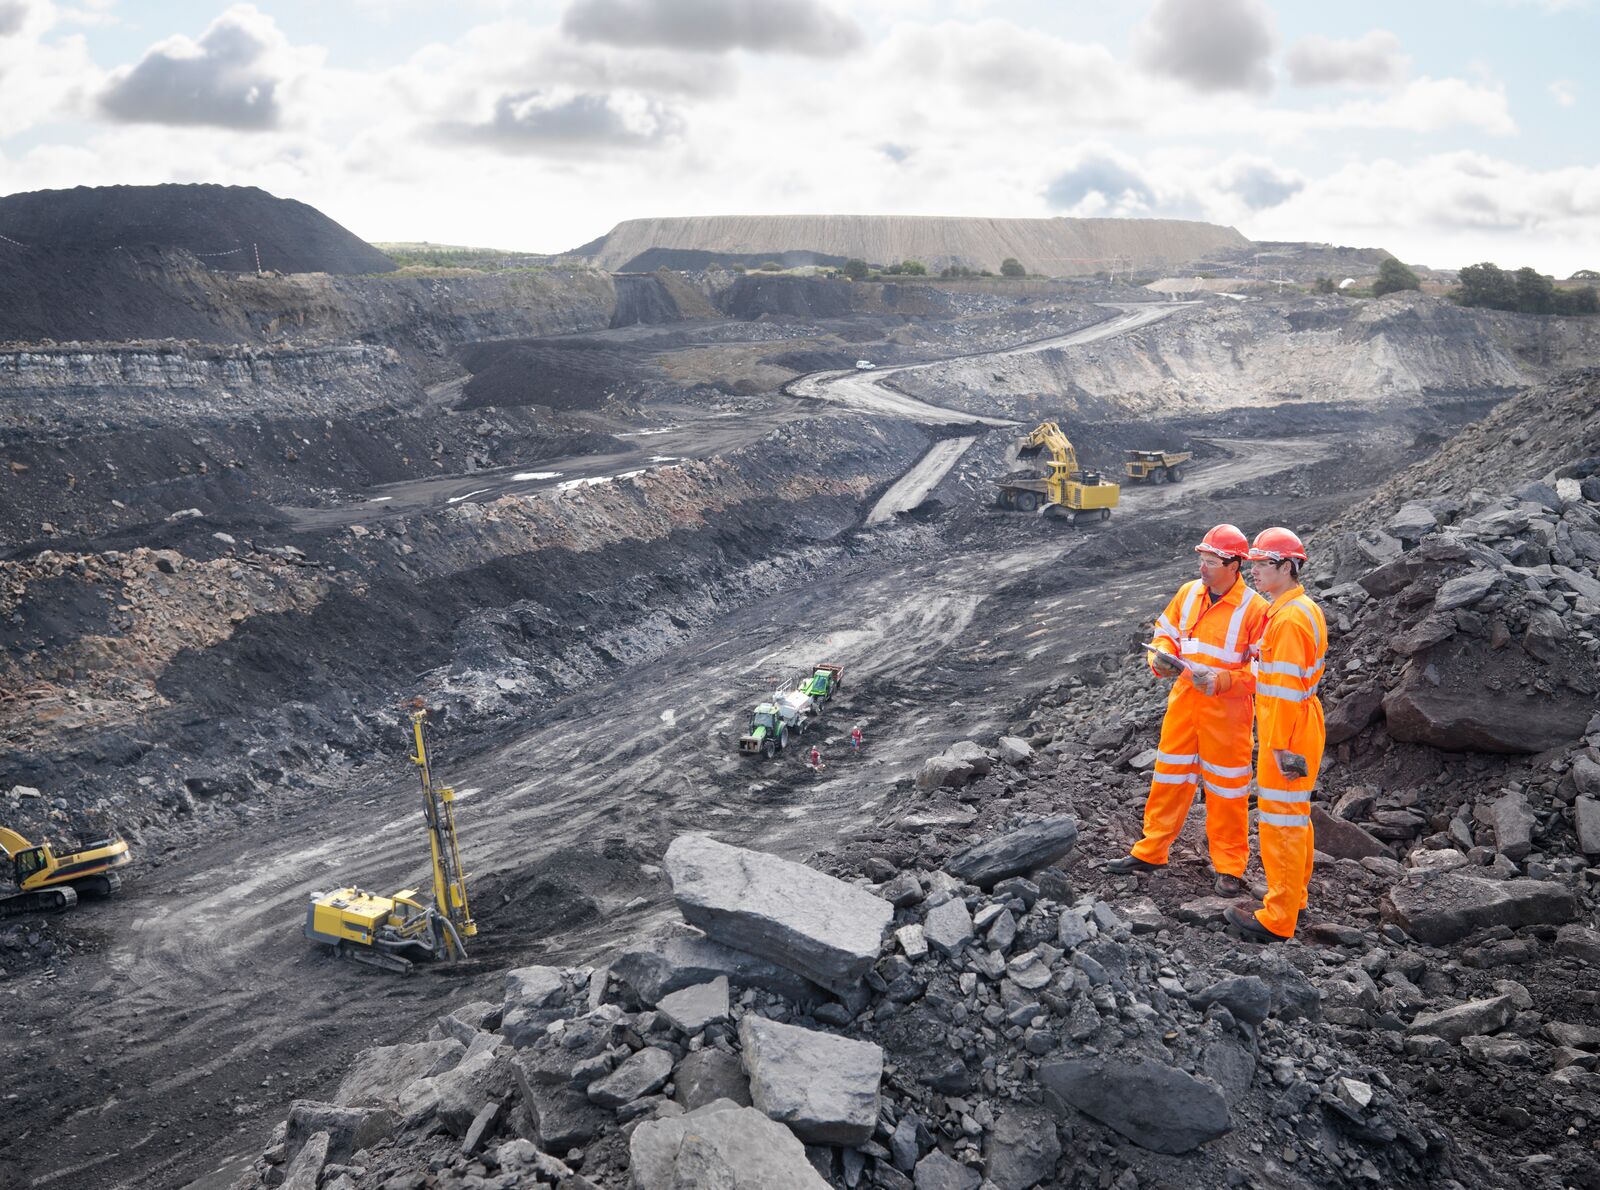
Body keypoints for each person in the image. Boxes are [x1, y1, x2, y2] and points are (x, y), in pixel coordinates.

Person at [1107, 525, 1268, 895]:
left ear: (1234, 565)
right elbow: (1166, 634)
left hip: (1227, 715)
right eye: (1201, 560)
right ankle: (1152, 850)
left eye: (1210, 561)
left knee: (1227, 792)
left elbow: (1263, 671)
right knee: (1168, 779)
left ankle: (1229, 867)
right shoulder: (1188, 594)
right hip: (1184, 704)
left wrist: (1222, 681)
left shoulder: (1255, 610)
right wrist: (1160, 659)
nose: (1203, 568)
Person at [1225, 527, 1327, 943]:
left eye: (1262, 565)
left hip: (1287, 731)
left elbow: (1283, 691)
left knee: (1279, 822)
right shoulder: (1298, 609)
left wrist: (1280, 748)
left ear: (1287, 567)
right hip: (1298, 723)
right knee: (1294, 818)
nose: (1253, 573)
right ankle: (1293, 897)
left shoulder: (1287, 620)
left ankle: (1277, 917)